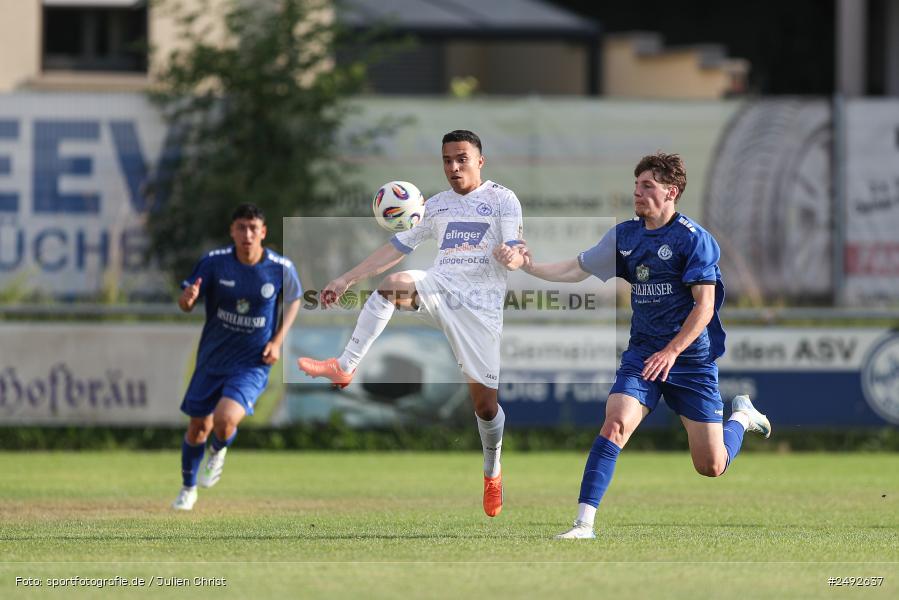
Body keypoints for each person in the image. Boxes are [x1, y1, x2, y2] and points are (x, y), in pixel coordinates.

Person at [499, 152, 771, 538]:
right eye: (636, 186)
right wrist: (529, 266)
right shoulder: (625, 236)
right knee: (615, 424)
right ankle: (583, 525)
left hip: (691, 360)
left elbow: (705, 307)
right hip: (643, 354)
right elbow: (576, 269)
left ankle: (741, 417)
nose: (637, 193)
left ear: (671, 192)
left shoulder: (693, 239)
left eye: (647, 186)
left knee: (711, 466)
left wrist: (672, 351)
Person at [297, 130, 525, 517]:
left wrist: (512, 256)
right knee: (393, 284)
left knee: (486, 408)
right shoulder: (435, 205)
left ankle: (492, 472)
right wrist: (347, 278)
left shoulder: (503, 199)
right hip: (438, 288)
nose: (454, 167)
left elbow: (516, 249)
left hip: (479, 312)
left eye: (462, 159)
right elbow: (397, 247)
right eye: (447, 160)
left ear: (479, 161)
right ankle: (345, 365)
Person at [172, 204, 302, 511]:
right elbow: (186, 301)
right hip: (212, 360)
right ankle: (188, 489)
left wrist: (277, 341)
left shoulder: (280, 267)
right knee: (197, 428)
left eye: (253, 228)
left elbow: (295, 299)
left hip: (252, 363)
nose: (247, 234)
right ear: (232, 231)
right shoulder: (214, 262)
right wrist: (187, 300)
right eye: (241, 227)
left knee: (225, 419)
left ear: (263, 232)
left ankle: (217, 450)